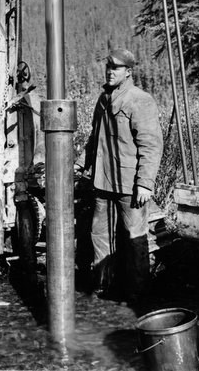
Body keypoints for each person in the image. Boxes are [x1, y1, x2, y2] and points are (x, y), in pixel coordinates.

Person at [74, 48, 163, 305]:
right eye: (108, 67)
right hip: (102, 182)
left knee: (134, 237)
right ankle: (104, 287)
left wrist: (145, 183)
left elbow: (150, 145)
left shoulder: (140, 100)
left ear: (128, 72)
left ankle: (138, 295)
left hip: (129, 186)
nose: (110, 71)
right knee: (99, 235)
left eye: (116, 68)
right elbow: (94, 140)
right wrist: (81, 164)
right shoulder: (103, 101)